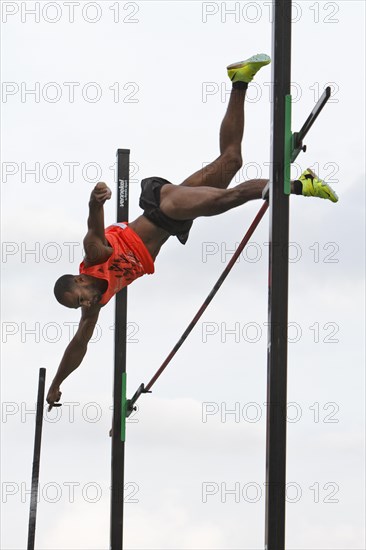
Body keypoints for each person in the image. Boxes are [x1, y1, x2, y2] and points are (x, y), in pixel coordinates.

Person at [46, 54, 338, 409]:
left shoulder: (94, 262)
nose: (87, 303)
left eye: (81, 298)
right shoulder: (96, 305)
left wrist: (95, 202)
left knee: (229, 198)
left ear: (78, 281)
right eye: (82, 305)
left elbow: (93, 233)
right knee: (232, 160)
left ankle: (300, 183)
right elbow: (79, 344)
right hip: (173, 218)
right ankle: (239, 80)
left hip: (164, 207)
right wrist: (58, 383)